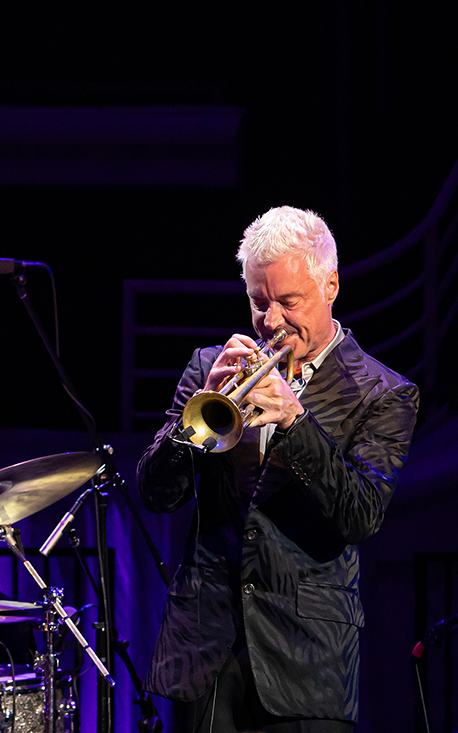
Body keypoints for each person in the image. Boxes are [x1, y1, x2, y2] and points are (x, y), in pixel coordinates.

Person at [137, 206, 419, 731]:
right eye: (257, 302)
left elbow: (360, 516)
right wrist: (195, 415)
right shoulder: (208, 367)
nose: (271, 321)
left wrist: (295, 422)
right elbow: (158, 494)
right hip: (205, 652)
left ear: (330, 284)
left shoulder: (384, 393)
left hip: (309, 661)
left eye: (288, 302)